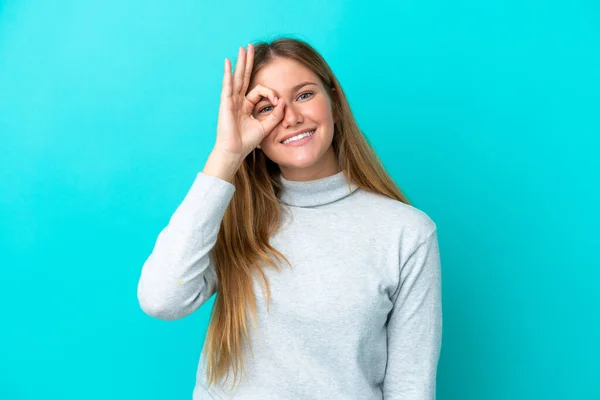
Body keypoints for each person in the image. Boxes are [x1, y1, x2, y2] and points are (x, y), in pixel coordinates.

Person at [137, 37, 443, 400]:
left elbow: (410, 387)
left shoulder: (407, 232)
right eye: (267, 107)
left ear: (336, 101)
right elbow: (161, 300)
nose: (292, 118)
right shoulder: (230, 215)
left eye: (304, 95)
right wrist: (226, 154)